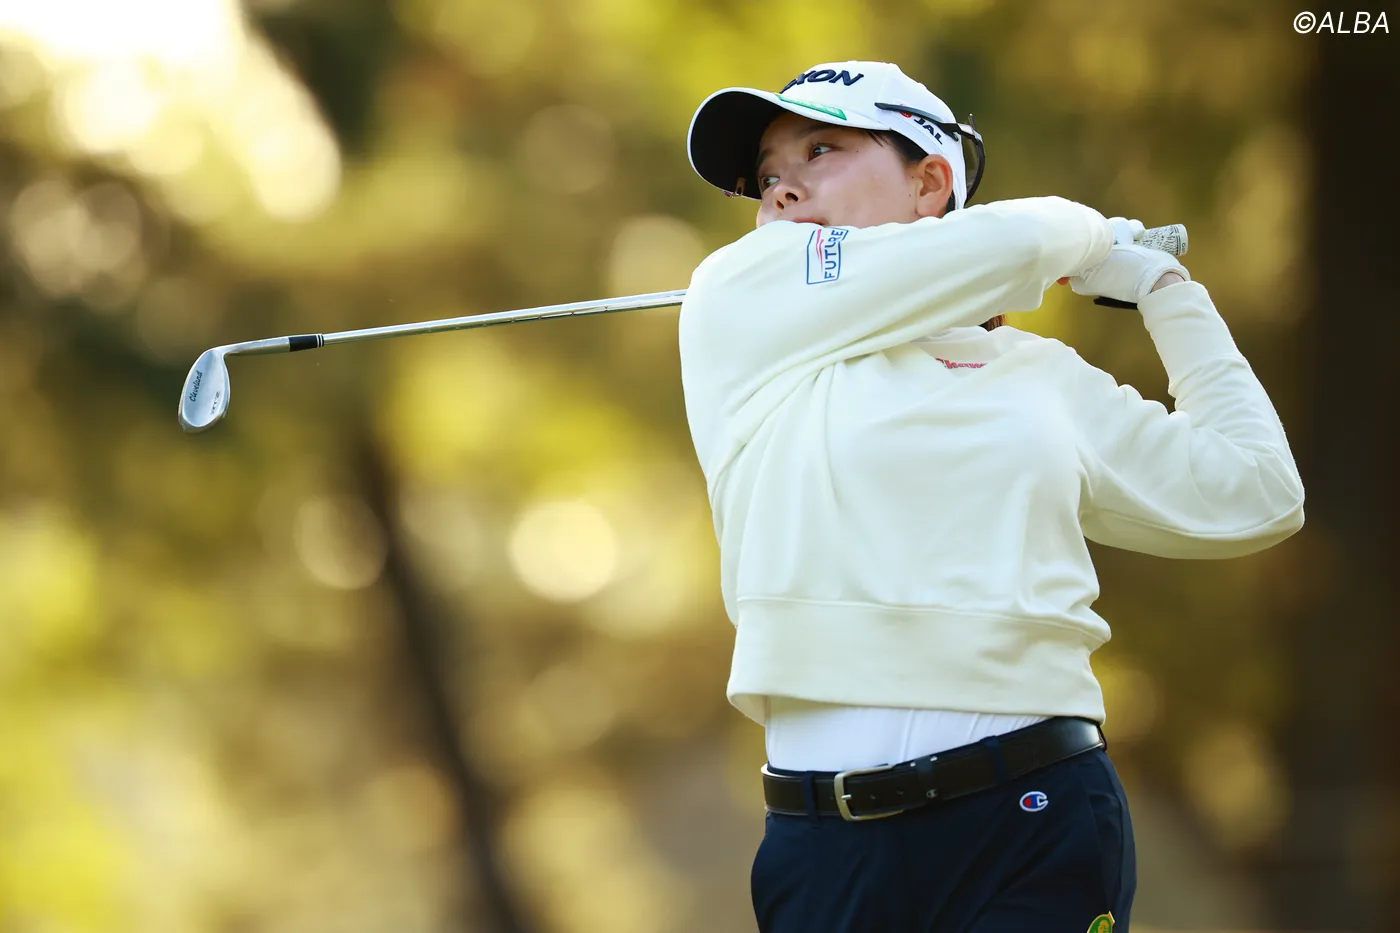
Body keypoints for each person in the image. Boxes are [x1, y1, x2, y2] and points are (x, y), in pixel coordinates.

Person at [676, 60, 1305, 933]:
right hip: (827, 848)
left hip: (1035, 817)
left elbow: (1258, 490)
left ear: (930, 182)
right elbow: (1020, 244)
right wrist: (1091, 235)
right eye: (768, 175)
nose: (783, 190)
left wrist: (1167, 292)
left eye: (820, 151)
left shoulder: (1040, 378)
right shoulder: (739, 296)